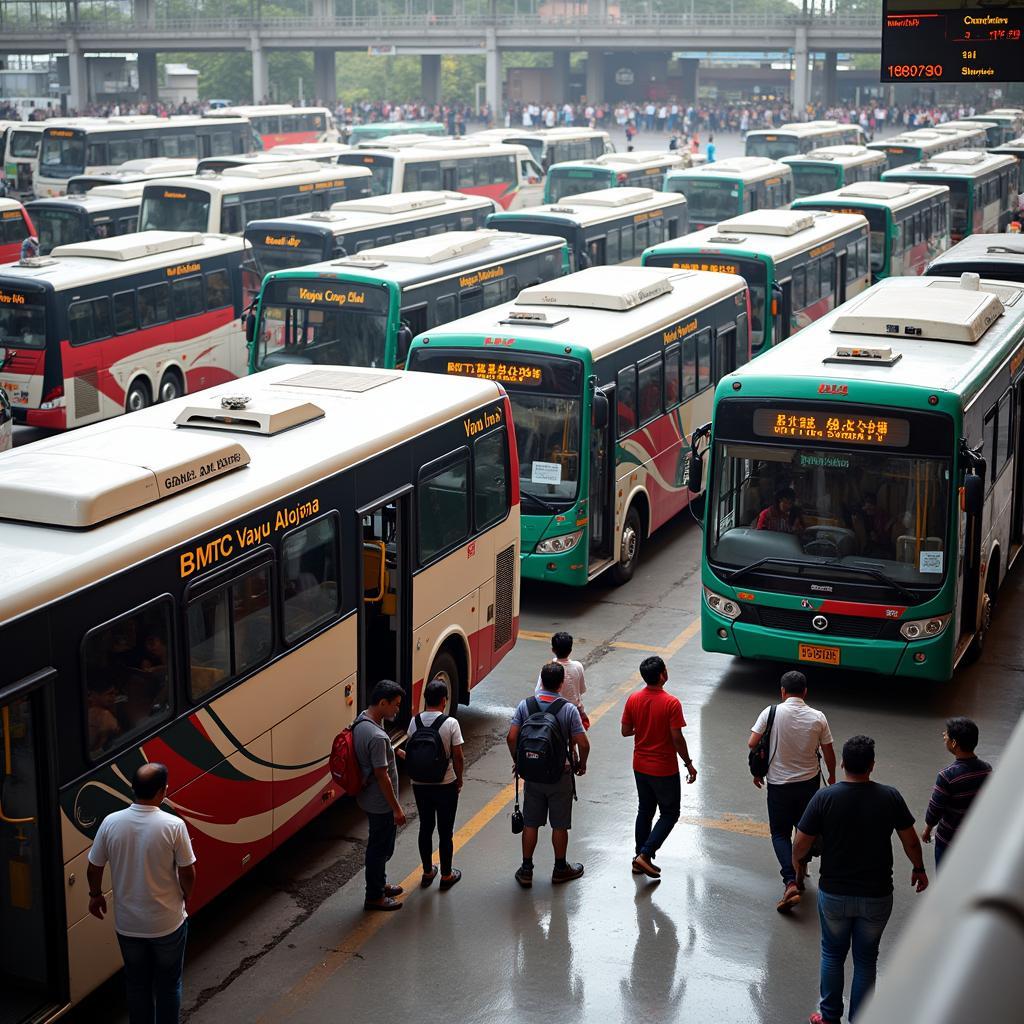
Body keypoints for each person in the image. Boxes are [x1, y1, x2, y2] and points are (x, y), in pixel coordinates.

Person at [793, 736, 928, 1024]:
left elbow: (800, 843)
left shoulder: (824, 798)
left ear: (842, 764)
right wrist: (919, 868)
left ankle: (829, 1017)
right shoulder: (890, 796)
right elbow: (911, 842)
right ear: (872, 765)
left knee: (832, 954)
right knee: (866, 960)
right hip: (877, 895)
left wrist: (798, 864)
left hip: (835, 894)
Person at [87, 763, 196, 1024]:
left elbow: (94, 866)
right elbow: (188, 871)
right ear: (162, 791)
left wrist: (95, 895)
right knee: (169, 986)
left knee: (137, 986)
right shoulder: (174, 825)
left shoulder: (110, 823)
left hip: (129, 926)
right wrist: (185, 895)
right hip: (167, 924)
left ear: (132, 789)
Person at [748, 670, 836, 912]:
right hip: (809, 784)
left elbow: (752, 743)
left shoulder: (771, 712)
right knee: (804, 830)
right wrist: (832, 775)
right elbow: (828, 751)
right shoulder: (818, 717)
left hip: (778, 785)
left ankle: (790, 882)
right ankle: (800, 870)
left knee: (779, 833)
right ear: (805, 692)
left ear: (782, 692)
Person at [507, 662, 590, 887]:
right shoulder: (568, 709)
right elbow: (583, 742)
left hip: (532, 774)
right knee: (559, 824)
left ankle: (526, 870)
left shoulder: (526, 706)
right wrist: (581, 764)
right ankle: (560, 868)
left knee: (531, 822)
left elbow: (512, 737)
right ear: (561, 684)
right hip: (559, 774)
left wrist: (520, 761)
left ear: (541, 681)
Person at [621, 655, 697, 878]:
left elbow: (626, 731)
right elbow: (677, 738)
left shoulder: (633, 699)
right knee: (670, 813)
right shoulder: (671, 703)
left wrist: (644, 729)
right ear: (662, 675)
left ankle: (637, 858)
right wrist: (689, 763)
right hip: (663, 768)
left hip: (640, 765)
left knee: (645, 810)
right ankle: (645, 854)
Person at [405, 678, 465, 891]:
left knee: (425, 826)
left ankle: (428, 871)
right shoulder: (450, 723)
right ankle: (447, 875)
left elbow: (411, 749)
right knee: (445, 830)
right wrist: (459, 778)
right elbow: (458, 756)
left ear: (425, 699)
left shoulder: (415, 722)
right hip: (445, 783)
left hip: (419, 783)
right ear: (443, 700)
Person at [354, 679, 407, 911]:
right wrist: (396, 808)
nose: (397, 709)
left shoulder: (362, 720)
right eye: (395, 705)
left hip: (368, 798)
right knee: (380, 849)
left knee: (380, 845)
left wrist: (395, 752)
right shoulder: (377, 737)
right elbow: (382, 775)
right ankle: (374, 896)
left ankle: (380, 883)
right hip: (381, 803)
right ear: (383, 702)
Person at [922, 716, 992, 868]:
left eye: (946, 734)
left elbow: (935, 809)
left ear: (954, 743)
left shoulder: (947, 776)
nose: (944, 735)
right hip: (974, 838)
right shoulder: (987, 769)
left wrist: (927, 830)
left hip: (949, 840)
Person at [535, 630, 588, 727]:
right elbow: (581, 690)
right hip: (574, 710)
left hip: (553, 713)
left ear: (553, 650)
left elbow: (538, 692)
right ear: (570, 650)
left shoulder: (548, 668)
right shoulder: (578, 666)